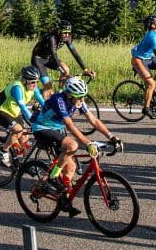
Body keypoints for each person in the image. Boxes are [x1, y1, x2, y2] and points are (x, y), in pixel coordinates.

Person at [29, 77, 120, 214]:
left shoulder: (79, 101)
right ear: (69, 95)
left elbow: (94, 120)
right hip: (42, 128)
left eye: (83, 97)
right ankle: (53, 177)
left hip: (56, 129)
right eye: (79, 97)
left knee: (71, 167)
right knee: (72, 145)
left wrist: (112, 137)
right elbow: (70, 125)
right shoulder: (59, 100)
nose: (82, 101)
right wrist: (88, 143)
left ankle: (64, 200)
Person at [0, 66, 46, 165]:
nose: (35, 85)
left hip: (14, 113)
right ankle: (2, 152)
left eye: (37, 82)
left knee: (24, 138)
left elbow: (43, 102)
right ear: (24, 81)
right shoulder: (17, 88)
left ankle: (23, 163)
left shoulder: (33, 88)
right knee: (17, 130)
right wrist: (34, 122)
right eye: (32, 82)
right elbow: (23, 108)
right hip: (1, 111)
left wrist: (52, 114)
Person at [129, 15, 156, 119]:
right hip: (138, 60)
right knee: (151, 83)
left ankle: (151, 90)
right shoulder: (152, 36)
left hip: (148, 58)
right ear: (153, 25)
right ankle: (146, 108)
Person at [31, 21, 93, 90]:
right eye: (64, 32)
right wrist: (63, 72)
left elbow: (75, 54)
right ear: (58, 31)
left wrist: (85, 69)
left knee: (66, 69)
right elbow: (54, 55)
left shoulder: (67, 38)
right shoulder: (52, 38)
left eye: (68, 33)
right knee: (48, 87)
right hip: (38, 60)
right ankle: (42, 95)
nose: (67, 35)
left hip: (49, 58)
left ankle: (60, 93)